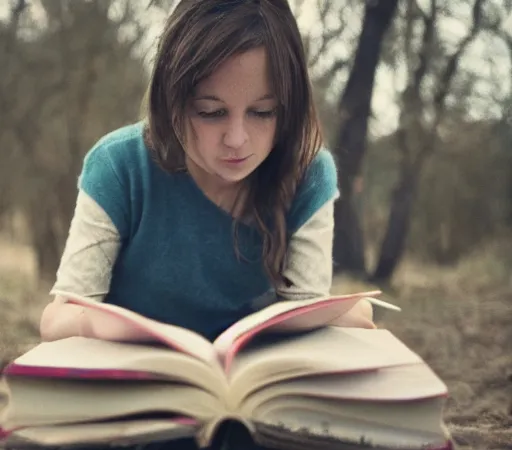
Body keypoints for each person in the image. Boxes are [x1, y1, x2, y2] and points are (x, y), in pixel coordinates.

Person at [40, 0, 374, 343]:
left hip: (251, 389)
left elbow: (306, 317)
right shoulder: (119, 166)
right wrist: (107, 325)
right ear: (170, 99)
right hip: (130, 386)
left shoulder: (308, 174)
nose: (237, 139)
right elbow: (58, 318)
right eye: (211, 111)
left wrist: (333, 314)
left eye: (263, 112)